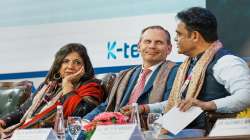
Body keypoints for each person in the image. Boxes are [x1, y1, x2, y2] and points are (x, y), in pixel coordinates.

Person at [144, 7, 250, 138]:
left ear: (194, 36)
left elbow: (246, 96)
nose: (176, 39)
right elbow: (181, 104)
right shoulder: (189, 65)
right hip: (181, 132)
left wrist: (207, 105)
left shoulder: (226, 62)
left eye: (179, 34)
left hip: (209, 134)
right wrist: (145, 108)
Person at [0, 43, 104, 136]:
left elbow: (78, 118)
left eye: (77, 62)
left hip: (48, 134)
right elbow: (23, 111)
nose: (70, 66)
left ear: (85, 67)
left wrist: (67, 86)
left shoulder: (92, 87)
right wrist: (3, 122)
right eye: (65, 61)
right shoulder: (48, 87)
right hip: (24, 132)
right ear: (58, 66)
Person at [83, 25, 179, 122]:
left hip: (153, 131)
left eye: (159, 42)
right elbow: (107, 106)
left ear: (169, 49)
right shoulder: (125, 75)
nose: (152, 46)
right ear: (138, 47)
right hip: (118, 130)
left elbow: (172, 105)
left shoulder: (176, 72)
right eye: (147, 41)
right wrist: (85, 121)